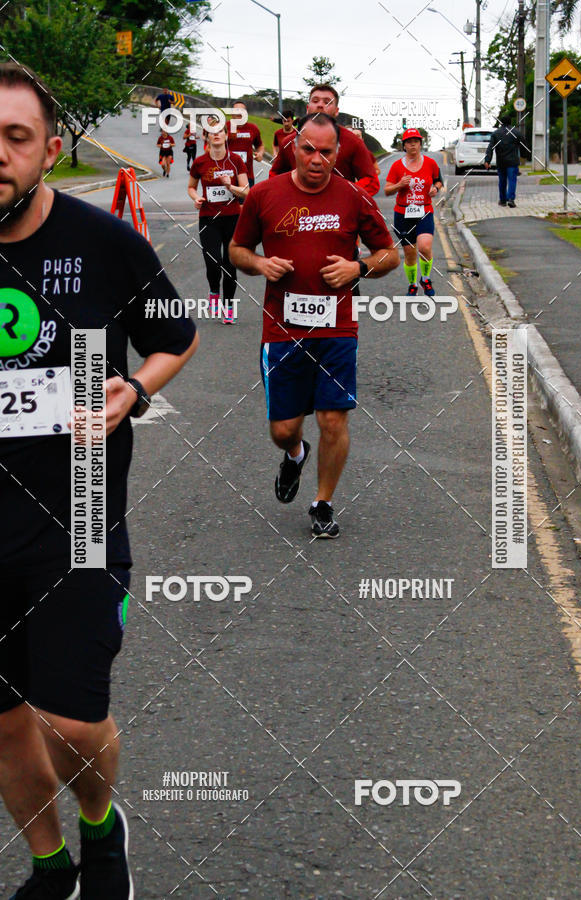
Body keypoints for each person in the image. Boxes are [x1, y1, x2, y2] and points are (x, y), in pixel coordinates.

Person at [0, 61, 198, 899]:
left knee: (70, 720)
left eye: (14, 137)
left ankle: (98, 823)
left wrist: (136, 388)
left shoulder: (101, 242)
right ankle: (50, 868)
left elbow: (175, 335)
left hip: (77, 514)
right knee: (6, 723)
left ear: (51, 151)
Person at [229, 113, 399, 537]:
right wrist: (260, 263)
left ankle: (323, 503)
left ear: (338, 153)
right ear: (292, 148)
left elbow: (389, 254)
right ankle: (294, 454)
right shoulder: (264, 194)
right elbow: (237, 250)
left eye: (326, 151)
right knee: (283, 428)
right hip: (282, 329)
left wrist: (357, 267)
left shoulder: (353, 197)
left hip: (337, 327)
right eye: (308, 149)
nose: (317, 159)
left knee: (333, 419)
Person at [269, 84, 378, 196]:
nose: (320, 105)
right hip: (298, 210)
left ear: (336, 111)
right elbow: (275, 175)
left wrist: (345, 196)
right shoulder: (289, 142)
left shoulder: (353, 142)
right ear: (307, 108)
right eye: (315, 101)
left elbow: (371, 181)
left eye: (327, 102)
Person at [188, 123, 249, 323]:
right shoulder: (200, 162)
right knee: (213, 262)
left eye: (220, 131)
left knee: (230, 265)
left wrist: (229, 186)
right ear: (206, 137)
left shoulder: (236, 160)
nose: (216, 135)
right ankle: (214, 291)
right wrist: (196, 197)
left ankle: (229, 306)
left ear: (225, 135)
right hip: (208, 219)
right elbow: (191, 187)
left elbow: (246, 191)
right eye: (211, 132)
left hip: (233, 218)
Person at [384, 128, 443, 297]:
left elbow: (439, 181)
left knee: (424, 247)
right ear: (404, 146)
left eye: (416, 142)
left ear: (420, 144)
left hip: (424, 211)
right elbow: (387, 190)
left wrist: (435, 188)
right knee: (410, 253)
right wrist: (399, 184)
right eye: (409, 142)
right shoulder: (396, 166)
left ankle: (426, 278)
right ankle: (412, 284)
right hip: (403, 214)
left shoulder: (431, 163)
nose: (413, 145)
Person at [484, 114, 527, 208]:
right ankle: (511, 199)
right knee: (512, 180)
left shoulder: (496, 134)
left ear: (501, 123)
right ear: (510, 122)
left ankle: (503, 200)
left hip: (501, 161)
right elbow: (524, 145)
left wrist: (487, 160)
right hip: (512, 161)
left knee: (502, 181)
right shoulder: (516, 133)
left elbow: (490, 147)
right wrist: (524, 156)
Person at [226, 100, 264, 187]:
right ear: (232, 114)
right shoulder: (224, 127)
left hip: (247, 175)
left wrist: (260, 154)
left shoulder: (253, 128)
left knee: (246, 200)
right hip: (227, 175)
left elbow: (260, 145)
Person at [349, 126, 380, 196]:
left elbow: (377, 171)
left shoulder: (367, 154)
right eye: (352, 136)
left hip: (363, 189)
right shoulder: (346, 153)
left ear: (362, 139)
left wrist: (361, 180)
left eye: (358, 136)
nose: (355, 138)